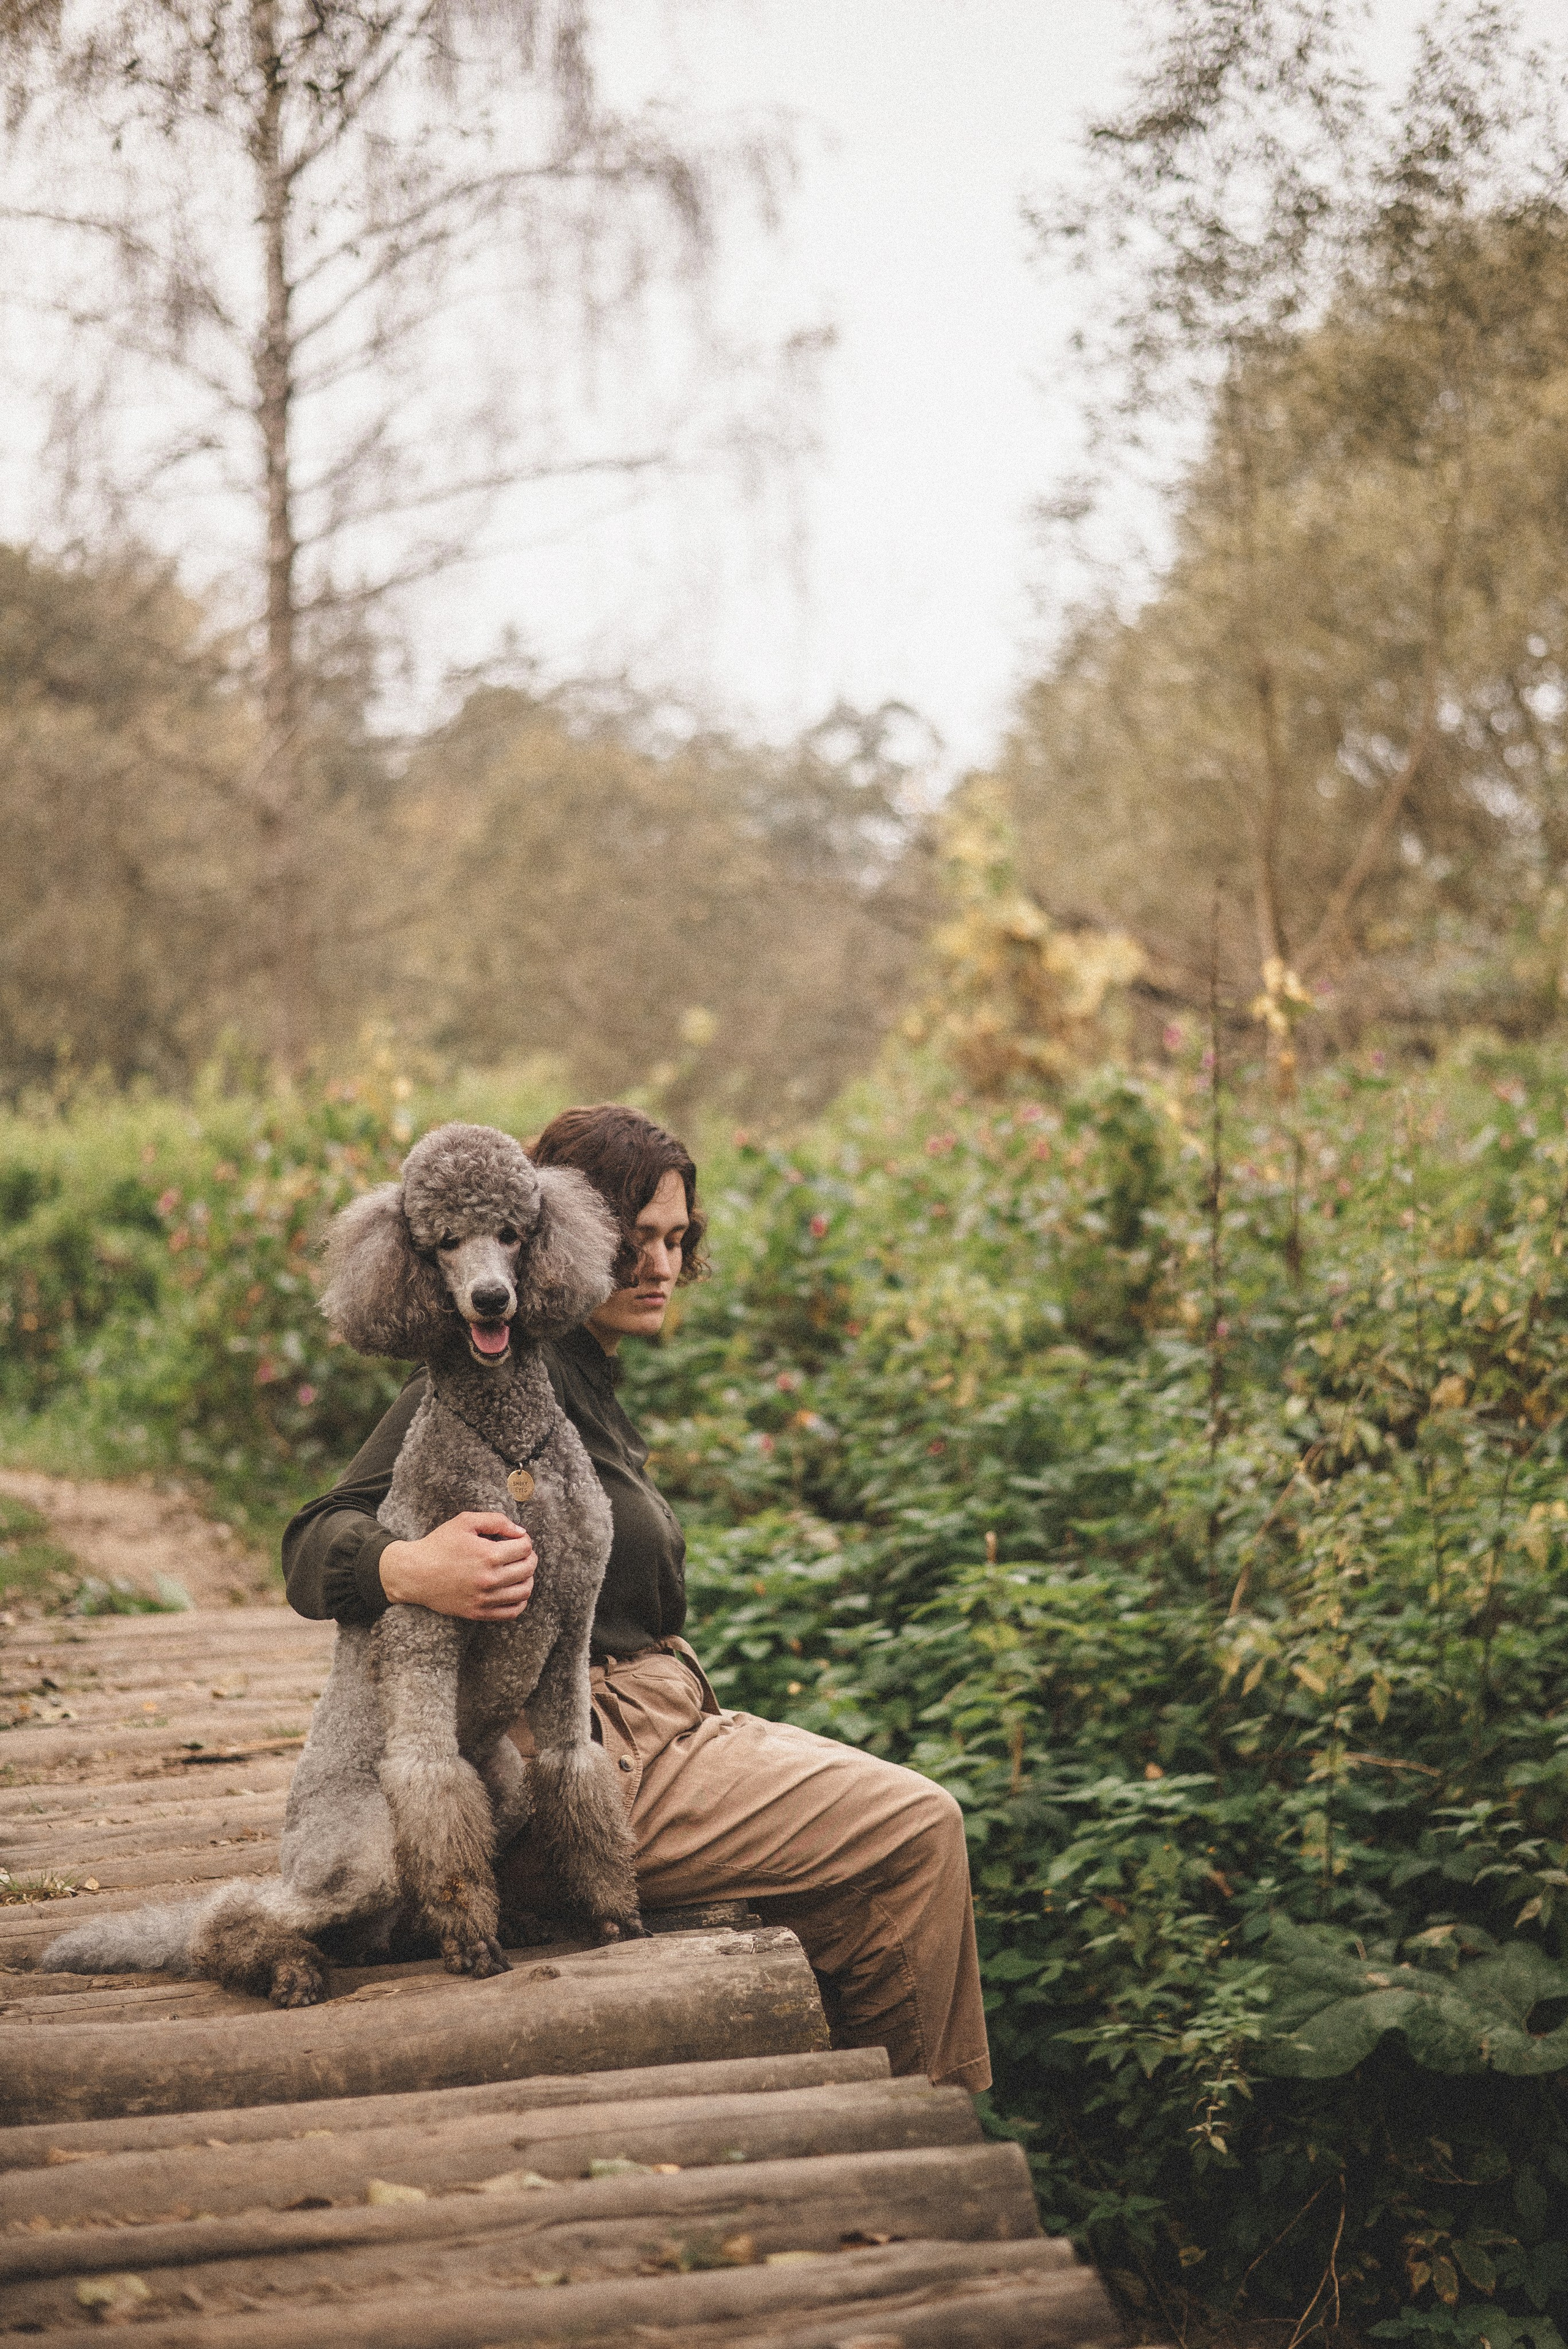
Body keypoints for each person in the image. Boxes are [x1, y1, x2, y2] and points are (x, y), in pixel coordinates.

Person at [282, 1103, 991, 2091]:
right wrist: (407, 1566)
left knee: (857, 1900)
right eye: (636, 1238)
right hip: (583, 1754)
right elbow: (315, 1539)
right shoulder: (494, 1374)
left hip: (663, 1720)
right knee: (919, 1830)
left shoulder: (584, 1379)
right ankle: (944, 2126)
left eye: (675, 1239)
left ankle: (855, 2117)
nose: (659, 1265)